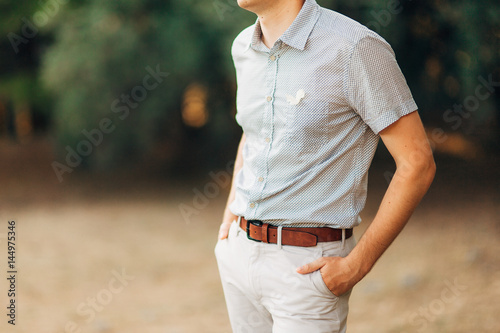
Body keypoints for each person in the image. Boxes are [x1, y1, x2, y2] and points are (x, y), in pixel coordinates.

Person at [215, 0, 436, 332]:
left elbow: (417, 163)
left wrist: (357, 265)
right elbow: (253, 134)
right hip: (238, 253)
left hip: (307, 268)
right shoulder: (243, 47)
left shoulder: (355, 48)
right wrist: (229, 218)